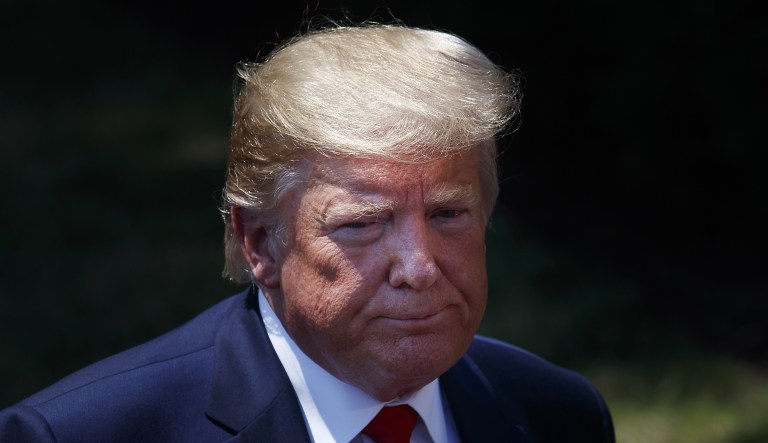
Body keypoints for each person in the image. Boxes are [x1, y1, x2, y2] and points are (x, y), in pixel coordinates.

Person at [0, 24, 614, 442]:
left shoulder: (557, 413)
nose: (419, 267)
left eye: (447, 214)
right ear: (260, 243)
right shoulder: (81, 433)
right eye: (362, 224)